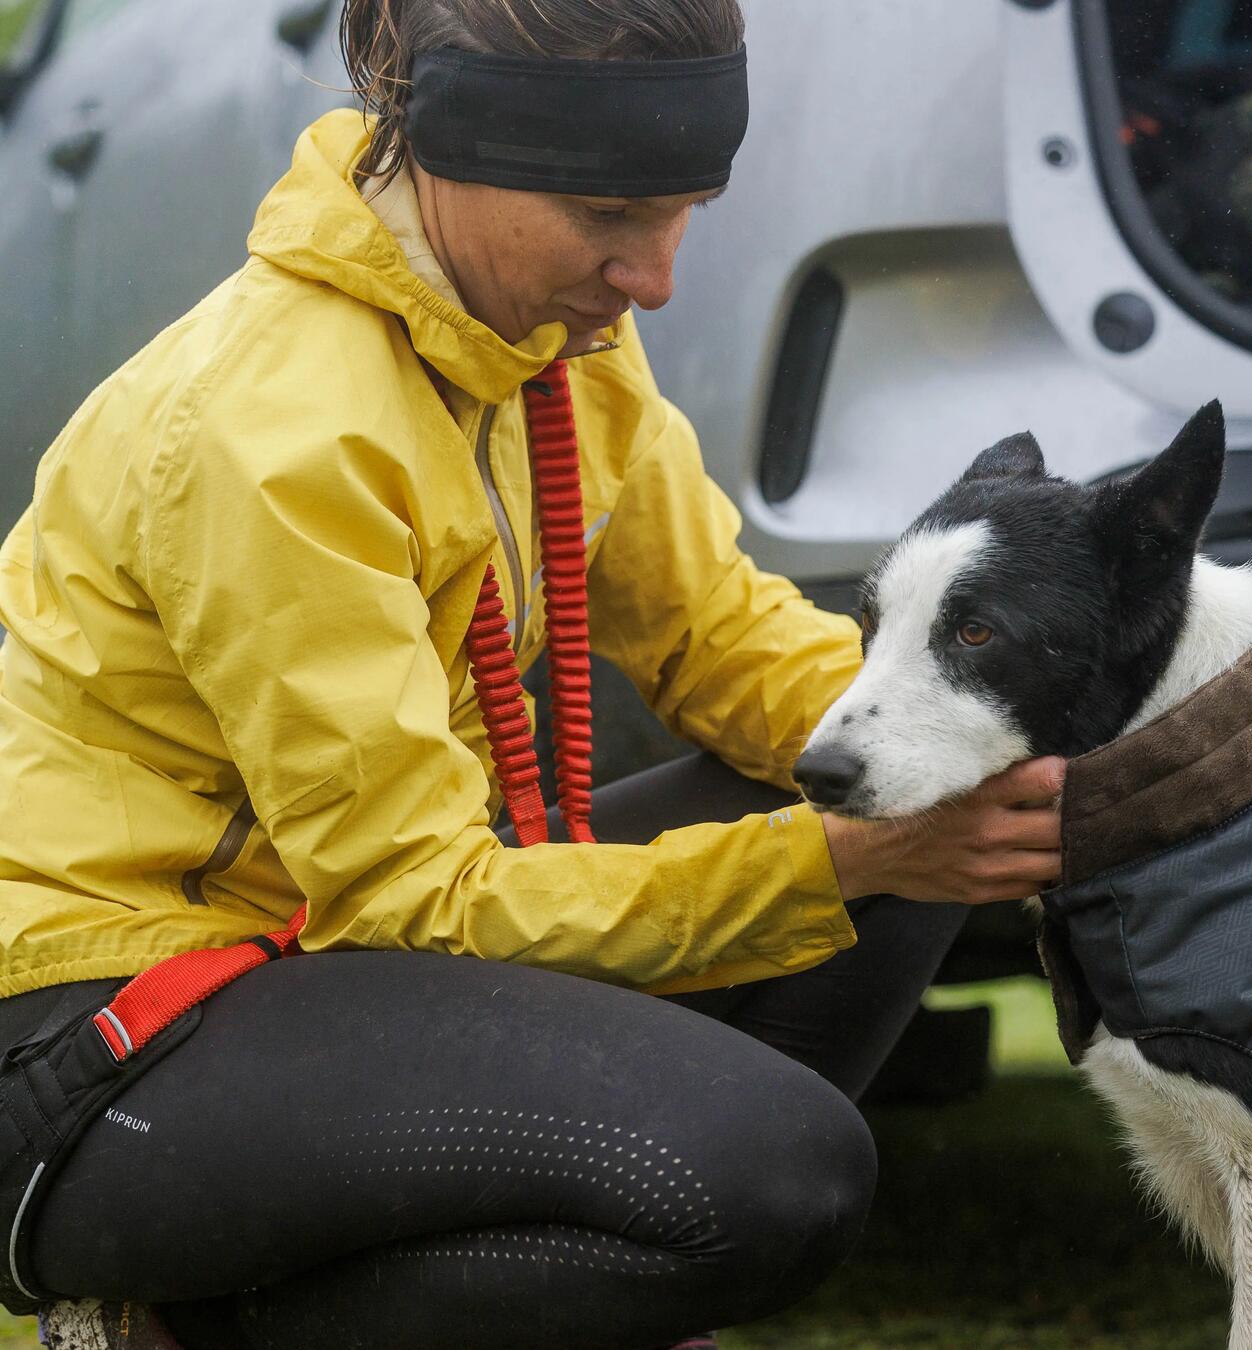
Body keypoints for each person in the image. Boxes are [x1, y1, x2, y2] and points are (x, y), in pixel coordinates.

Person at [0, 2, 1065, 1346]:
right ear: (451, 150)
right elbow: (409, 897)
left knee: (902, 776)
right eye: (612, 215)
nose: (656, 276)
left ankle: (599, 1307)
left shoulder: (553, 346)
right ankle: (174, 1329)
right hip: (105, 1036)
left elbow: (725, 640)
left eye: (684, 210)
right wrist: (843, 859)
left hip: (333, 957)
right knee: (778, 1169)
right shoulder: (271, 431)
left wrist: (1021, 751)